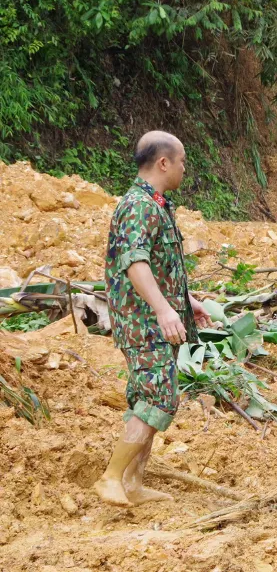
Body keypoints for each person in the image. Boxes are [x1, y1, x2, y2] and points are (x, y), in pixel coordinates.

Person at [95, 131, 214, 506]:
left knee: (151, 396)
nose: (184, 168)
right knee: (157, 398)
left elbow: (160, 268)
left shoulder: (156, 204)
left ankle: (133, 482)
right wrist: (163, 310)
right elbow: (135, 263)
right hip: (144, 323)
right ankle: (112, 477)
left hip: (153, 321)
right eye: (181, 161)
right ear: (163, 163)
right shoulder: (140, 206)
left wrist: (185, 301)